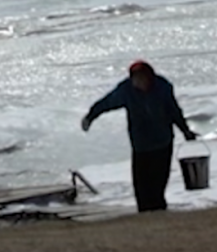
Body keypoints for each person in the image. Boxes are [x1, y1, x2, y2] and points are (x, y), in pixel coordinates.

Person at [81, 60, 198, 212]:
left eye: (142, 78)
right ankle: (145, 213)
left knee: (158, 183)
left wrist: (185, 130)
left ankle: (159, 211)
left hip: (162, 141)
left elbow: (174, 111)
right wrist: (90, 116)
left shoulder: (163, 88)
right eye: (135, 79)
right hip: (140, 144)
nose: (139, 82)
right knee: (142, 186)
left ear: (150, 77)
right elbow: (107, 102)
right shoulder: (126, 90)